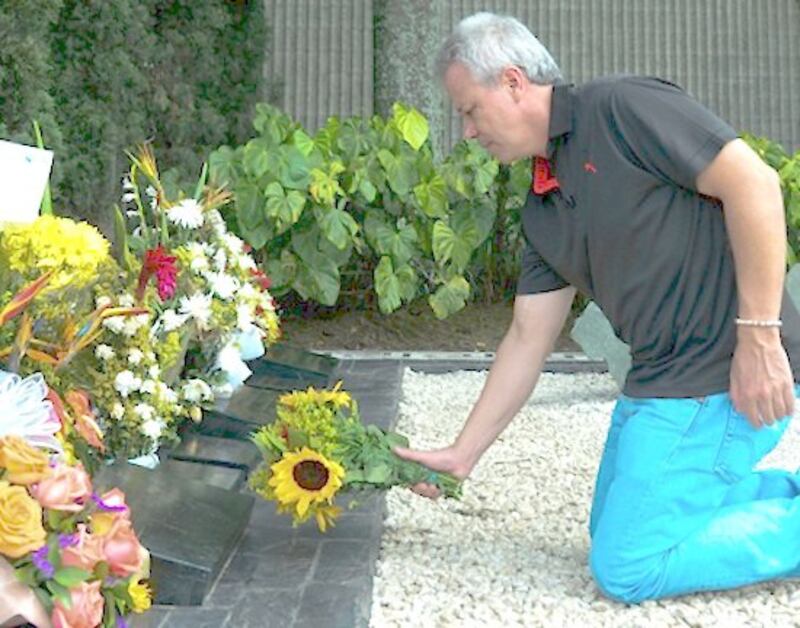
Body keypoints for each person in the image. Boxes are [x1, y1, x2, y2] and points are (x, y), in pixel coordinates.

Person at [393, 11, 800, 604]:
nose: (469, 132)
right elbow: (527, 338)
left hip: (725, 377)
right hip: (658, 382)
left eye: (470, 110)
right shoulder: (543, 209)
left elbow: (755, 184)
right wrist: (462, 454)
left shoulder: (621, 109)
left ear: (512, 81)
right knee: (610, 527)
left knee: (629, 563)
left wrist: (759, 340)